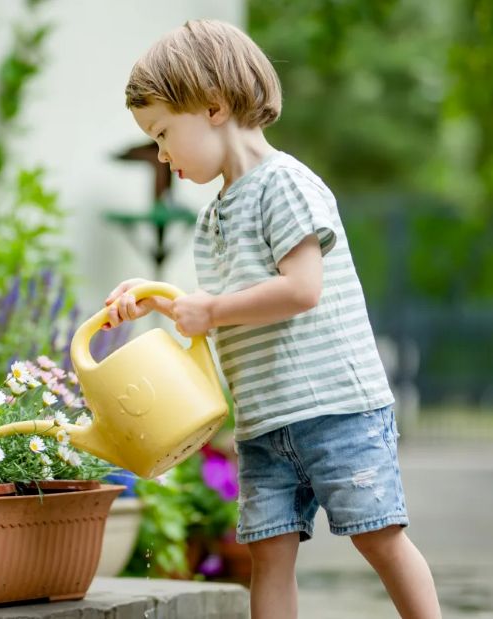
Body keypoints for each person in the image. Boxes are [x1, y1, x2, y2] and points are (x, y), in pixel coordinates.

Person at [102, 19, 442, 619]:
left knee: (377, 535)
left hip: (337, 408)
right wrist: (163, 298)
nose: (161, 154)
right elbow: (233, 307)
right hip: (266, 421)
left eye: (162, 133)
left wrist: (207, 309)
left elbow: (301, 289)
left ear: (213, 106)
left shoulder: (284, 185)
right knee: (268, 554)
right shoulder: (213, 219)